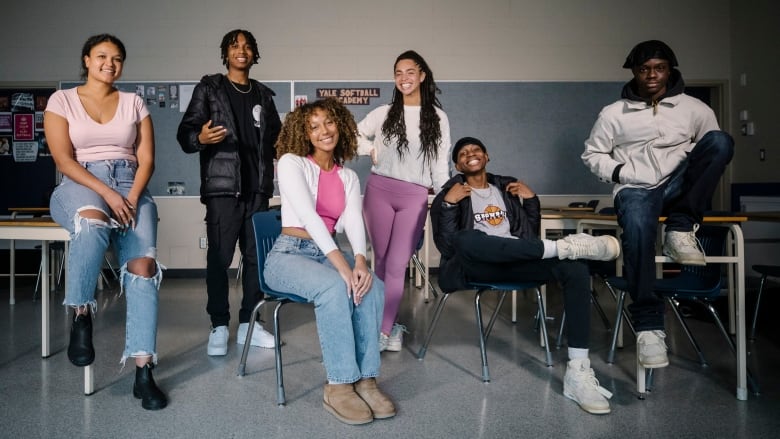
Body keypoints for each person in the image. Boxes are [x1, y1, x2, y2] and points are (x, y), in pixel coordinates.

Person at [431, 136, 621, 415]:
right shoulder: (450, 193)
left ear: (487, 156)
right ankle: (565, 246)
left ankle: (578, 372)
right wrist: (448, 206)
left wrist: (531, 200)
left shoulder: (506, 188)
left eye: (475, 149)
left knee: (575, 268)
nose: (470, 154)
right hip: (476, 264)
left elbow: (528, 237)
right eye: (462, 153)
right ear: (458, 165)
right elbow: (447, 246)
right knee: (468, 239)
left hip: (515, 260)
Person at [581, 40, 734, 370]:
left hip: (677, 185)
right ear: (635, 72)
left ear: (670, 70)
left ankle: (679, 228)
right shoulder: (613, 113)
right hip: (635, 188)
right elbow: (592, 154)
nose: (652, 74)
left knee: (721, 141)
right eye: (645, 69)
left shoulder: (695, 109)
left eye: (659, 68)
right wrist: (622, 171)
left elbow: (709, 154)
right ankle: (649, 326)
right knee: (636, 228)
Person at [45, 34, 166, 410]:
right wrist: (108, 195)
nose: (109, 63)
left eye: (116, 58)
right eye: (101, 56)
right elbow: (64, 160)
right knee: (93, 225)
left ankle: (144, 373)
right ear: (86, 60)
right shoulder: (61, 100)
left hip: (132, 184)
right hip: (81, 182)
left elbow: (146, 159)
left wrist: (129, 197)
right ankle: (81, 314)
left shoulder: (134, 102)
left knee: (144, 269)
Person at [264, 98, 395, 425]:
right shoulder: (291, 162)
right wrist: (343, 266)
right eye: (314, 126)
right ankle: (338, 385)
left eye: (329, 122)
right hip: (288, 255)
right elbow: (308, 218)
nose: (324, 131)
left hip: (326, 253)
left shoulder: (348, 176)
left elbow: (352, 221)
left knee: (373, 287)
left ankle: (366, 379)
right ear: (304, 133)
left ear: (340, 124)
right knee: (337, 287)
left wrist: (361, 261)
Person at [177, 29, 282, 356]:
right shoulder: (209, 88)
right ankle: (219, 325)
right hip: (223, 189)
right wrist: (200, 139)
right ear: (226, 53)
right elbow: (185, 134)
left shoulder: (264, 96)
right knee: (219, 259)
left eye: (248, 46)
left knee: (256, 260)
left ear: (254, 55)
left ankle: (251, 323)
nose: (242, 51)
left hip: (258, 191)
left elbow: (279, 141)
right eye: (235, 46)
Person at [357, 50, 451, 352]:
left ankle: (383, 332)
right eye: (398, 72)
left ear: (422, 75)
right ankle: (389, 322)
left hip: (414, 196)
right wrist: (368, 147)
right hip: (379, 191)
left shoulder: (437, 118)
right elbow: (352, 135)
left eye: (410, 72)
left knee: (397, 265)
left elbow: (439, 165)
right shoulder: (384, 113)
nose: (403, 78)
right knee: (382, 263)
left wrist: (447, 200)